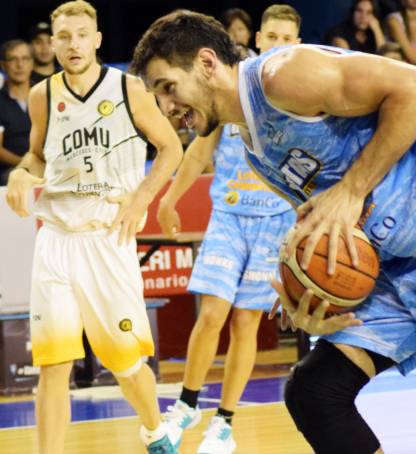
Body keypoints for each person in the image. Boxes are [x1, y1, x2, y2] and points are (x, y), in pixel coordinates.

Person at [131, 10, 416, 454]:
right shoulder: (254, 149)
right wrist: (306, 286)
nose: (166, 109)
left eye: (168, 87)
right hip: (402, 260)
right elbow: (328, 221)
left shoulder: (282, 75)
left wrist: (352, 189)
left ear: (207, 63)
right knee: (315, 391)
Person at [3, 1, 183, 453]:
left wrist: (141, 197)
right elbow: (37, 155)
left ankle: (154, 429)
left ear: (97, 39)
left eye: (82, 35)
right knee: (53, 365)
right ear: (53, 44)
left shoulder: (129, 89)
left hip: (107, 238)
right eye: (64, 37)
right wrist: (22, 173)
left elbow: (171, 148)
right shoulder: (43, 95)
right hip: (56, 239)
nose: (73, 44)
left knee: (125, 363)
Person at [157, 5, 300, 453]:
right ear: (258, 39)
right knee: (212, 313)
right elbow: (200, 151)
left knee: (245, 323)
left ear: (297, 44)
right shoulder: (230, 84)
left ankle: (224, 422)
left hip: (275, 222)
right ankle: (186, 404)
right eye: (271, 36)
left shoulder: (302, 97)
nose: (277, 45)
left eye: (286, 39)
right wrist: (169, 199)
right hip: (229, 216)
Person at [0, 40, 32, 185]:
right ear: (3, 65)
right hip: (12, 169)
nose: (20, 65)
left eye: (25, 59)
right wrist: (26, 164)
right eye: (13, 59)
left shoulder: (45, 96)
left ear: (32, 63)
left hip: (49, 165)